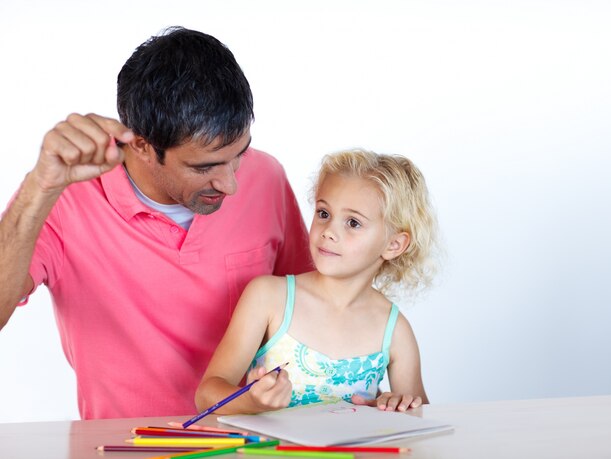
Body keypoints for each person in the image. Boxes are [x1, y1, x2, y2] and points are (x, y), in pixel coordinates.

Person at [0, 27, 313, 419]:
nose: (231, 183)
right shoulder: (63, 198)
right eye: (205, 167)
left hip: (254, 441)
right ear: (143, 145)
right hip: (126, 446)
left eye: (240, 154)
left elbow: (315, 311)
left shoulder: (266, 176)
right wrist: (39, 187)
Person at [195, 148, 438, 415]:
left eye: (353, 223)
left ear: (394, 244)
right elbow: (207, 393)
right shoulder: (268, 297)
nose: (329, 231)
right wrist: (252, 401)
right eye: (324, 213)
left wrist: (396, 405)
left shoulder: (395, 329)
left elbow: (420, 416)